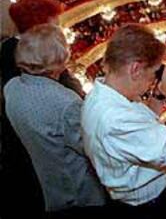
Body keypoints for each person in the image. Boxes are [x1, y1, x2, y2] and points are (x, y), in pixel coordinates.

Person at [82, 23, 166, 219]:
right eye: (153, 74)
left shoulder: (106, 94)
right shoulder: (116, 119)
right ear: (135, 69)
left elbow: (146, 123)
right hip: (153, 205)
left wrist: (160, 96)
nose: (153, 80)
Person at [3, 23, 107, 218]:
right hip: (79, 192)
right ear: (59, 61)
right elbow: (93, 149)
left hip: (48, 182)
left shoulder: (12, 87)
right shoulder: (66, 102)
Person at [1, 0, 84, 219]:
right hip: (64, 181)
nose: (60, 30)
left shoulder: (12, 79)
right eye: (55, 25)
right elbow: (87, 140)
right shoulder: (64, 97)